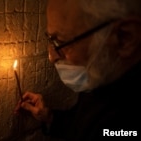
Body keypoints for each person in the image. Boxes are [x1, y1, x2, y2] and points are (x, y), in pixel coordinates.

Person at [14, 0, 141, 140]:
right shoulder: (102, 77)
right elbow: (80, 125)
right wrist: (49, 116)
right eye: (50, 39)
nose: (51, 56)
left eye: (61, 42)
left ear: (125, 37)